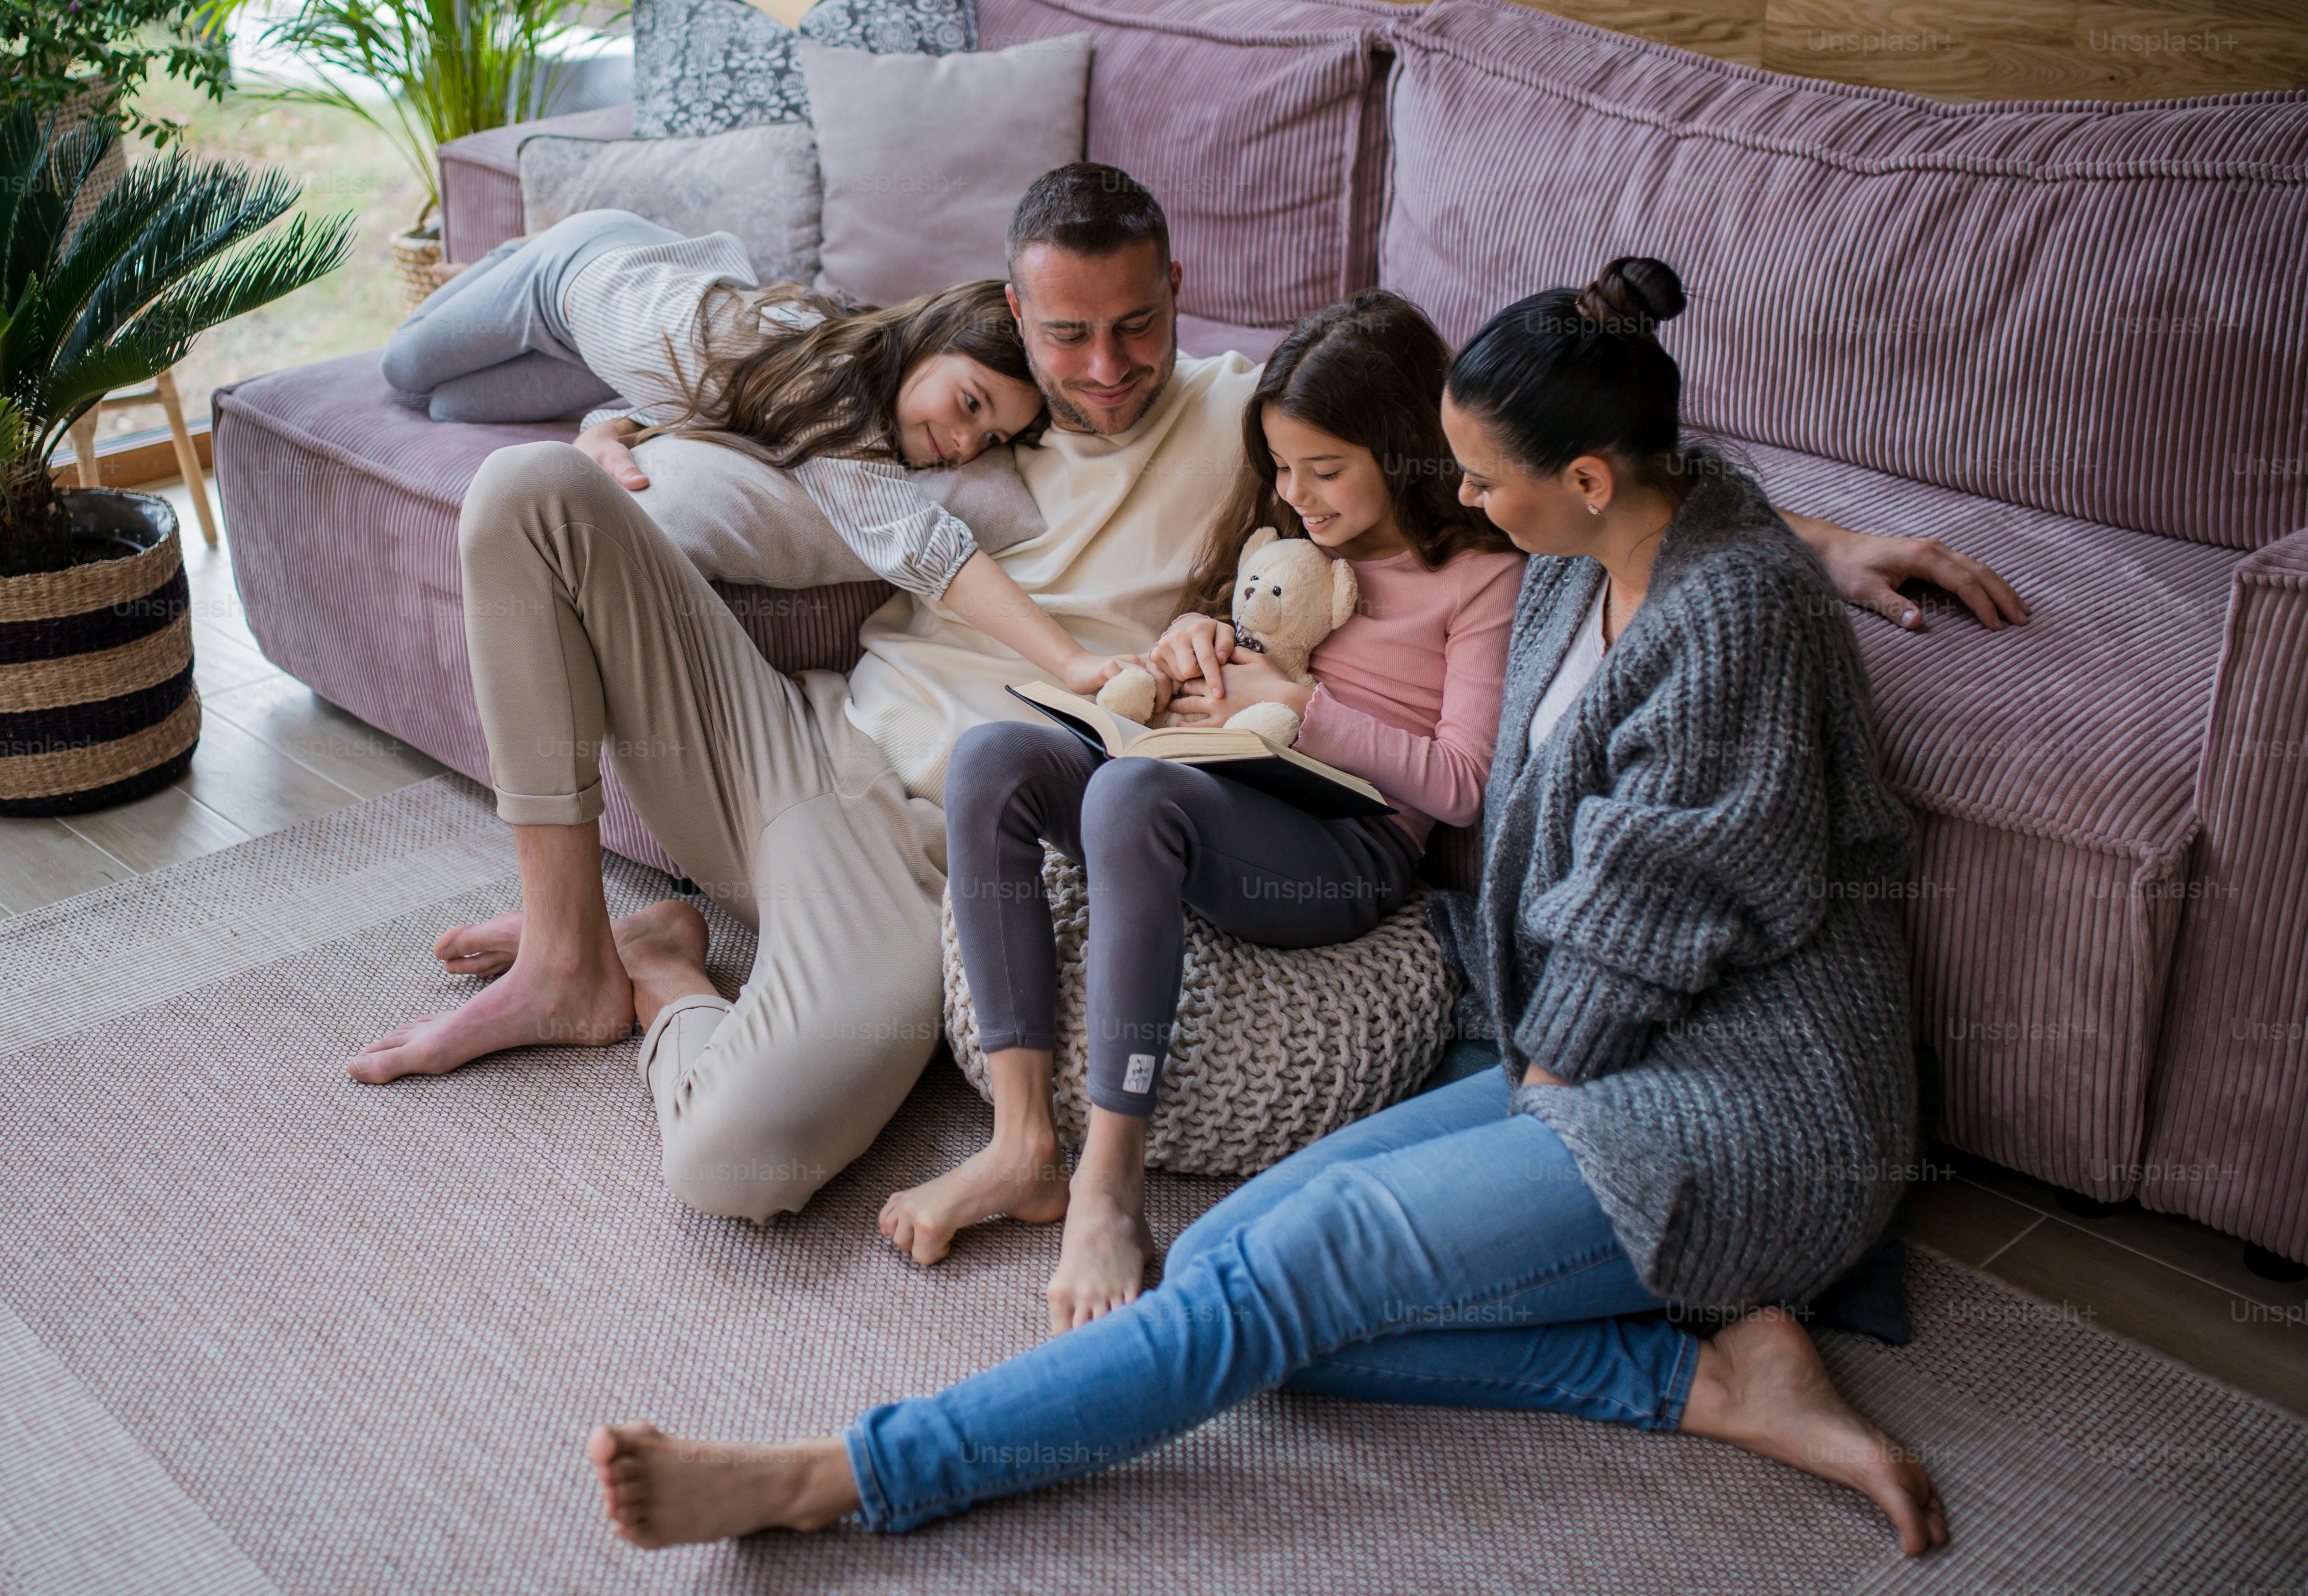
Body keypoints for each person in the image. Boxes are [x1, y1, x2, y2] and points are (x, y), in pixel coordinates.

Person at [348, 165, 2025, 1235]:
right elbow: (733, 454)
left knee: (735, 1171)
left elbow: (1520, 463)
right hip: (792, 753)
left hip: (930, 856)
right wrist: (615, 441)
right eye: (1065, 335)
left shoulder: (1243, 413)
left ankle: (661, 984)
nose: (1099, 371)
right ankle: (571, 947)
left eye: (1133, 328)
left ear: (1179, 296)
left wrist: (1815, 534)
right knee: (523, 500)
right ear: (1013, 310)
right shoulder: (945, 407)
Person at [579, 257, 1951, 1562]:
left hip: (1736, 1111)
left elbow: (1655, 911)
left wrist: (1529, 1091)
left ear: (1584, 483)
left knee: (1286, 1279)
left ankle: (845, 1476)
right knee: (1226, 1267)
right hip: (1585, 1049)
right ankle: (1705, 1377)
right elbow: (1706, 489)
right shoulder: (1611, 532)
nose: (1458, 496)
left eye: (1478, 477)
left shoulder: (1722, 626)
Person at [879, 292, 1525, 1332]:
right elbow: (1240, 639)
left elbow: (1460, 782)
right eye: (1282, 468)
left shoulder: (1478, 578)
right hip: (1219, 785)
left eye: (1326, 470)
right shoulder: (1290, 544)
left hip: (1346, 846)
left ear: (1403, 448)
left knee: (1135, 795)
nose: (1297, 496)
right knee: (994, 756)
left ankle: (1111, 1182)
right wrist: (1193, 645)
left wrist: (1303, 711)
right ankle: (1022, 1142)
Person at [382, 209, 1129, 696]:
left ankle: (565, 333)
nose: (967, 446)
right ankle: (521, 243)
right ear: (926, 341)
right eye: (971, 404)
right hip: (576, 270)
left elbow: (717, 400)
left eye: (991, 440)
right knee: (407, 373)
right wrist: (1072, 663)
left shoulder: (817, 404)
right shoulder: (833, 386)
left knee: (457, 405)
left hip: (611, 344)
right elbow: (927, 548)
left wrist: (611, 424)